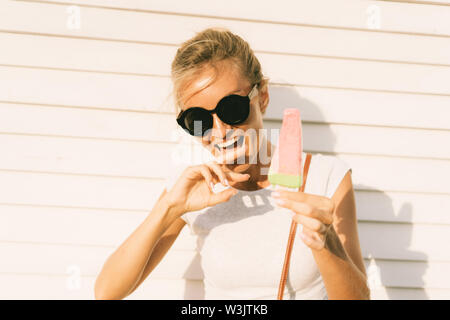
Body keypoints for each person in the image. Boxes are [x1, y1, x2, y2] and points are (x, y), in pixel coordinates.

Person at [94, 28, 370, 300]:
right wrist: (168, 209)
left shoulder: (326, 178)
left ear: (262, 97)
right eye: (198, 120)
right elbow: (107, 293)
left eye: (232, 109)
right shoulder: (192, 187)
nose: (220, 131)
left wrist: (326, 243)